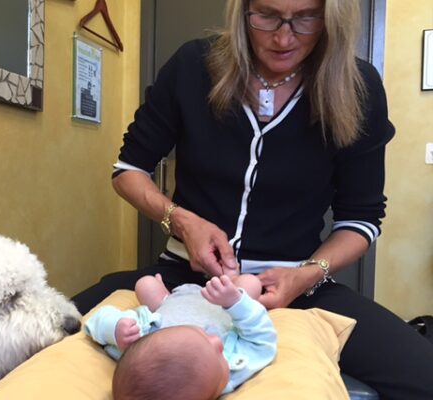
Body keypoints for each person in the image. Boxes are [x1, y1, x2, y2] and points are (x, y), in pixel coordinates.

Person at [73, 0, 433, 398]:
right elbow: (128, 171)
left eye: (305, 18)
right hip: (185, 281)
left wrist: (307, 273)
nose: (283, 36)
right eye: (266, 15)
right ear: (241, 10)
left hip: (299, 285)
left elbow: (361, 220)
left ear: (332, 16)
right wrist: (183, 222)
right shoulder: (194, 66)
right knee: (50, 328)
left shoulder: (359, 88)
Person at [84, 274, 276, 400]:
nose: (216, 340)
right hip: (221, 305)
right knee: (251, 283)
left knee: (145, 284)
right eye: (219, 356)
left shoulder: (141, 345)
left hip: (170, 302)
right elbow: (263, 339)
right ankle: (231, 278)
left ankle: (162, 288)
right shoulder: (235, 369)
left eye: (202, 335)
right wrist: (235, 302)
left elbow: (95, 322)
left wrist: (116, 329)